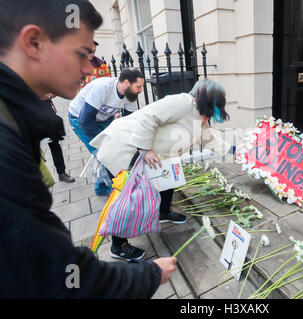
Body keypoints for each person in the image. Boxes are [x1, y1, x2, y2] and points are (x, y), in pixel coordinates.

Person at [0, 0, 177, 298]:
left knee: (109, 158)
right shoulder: (7, 147)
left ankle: (101, 181)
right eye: (82, 54)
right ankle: (108, 197)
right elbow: (60, 274)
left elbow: (124, 119)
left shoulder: (16, 121)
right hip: (82, 121)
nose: (88, 69)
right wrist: (149, 274)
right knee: (104, 156)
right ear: (34, 42)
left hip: (98, 121)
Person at [90, 79, 235, 260]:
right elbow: (148, 116)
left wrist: (233, 150)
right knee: (127, 199)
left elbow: (208, 137)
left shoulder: (200, 113)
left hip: (159, 156)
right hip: (125, 147)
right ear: (205, 100)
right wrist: (144, 148)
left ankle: (163, 212)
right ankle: (118, 246)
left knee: (169, 180)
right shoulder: (182, 102)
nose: (212, 115)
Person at [68, 68, 144, 196]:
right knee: (105, 154)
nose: (141, 90)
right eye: (138, 87)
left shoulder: (131, 95)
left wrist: (140, 145)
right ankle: (113, 188)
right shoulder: (103, 88)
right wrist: (104, 146)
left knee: (116, 148)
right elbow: (85, 120)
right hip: (80, 118)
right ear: (126, 83)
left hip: (103, 117)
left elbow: (131, 122)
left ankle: (104, 185)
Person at [43, 93, 75, 183]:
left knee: (55, 146)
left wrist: (48, 96)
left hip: (49, 117)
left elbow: (53, 93)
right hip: (32, 119)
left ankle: (61, 173)